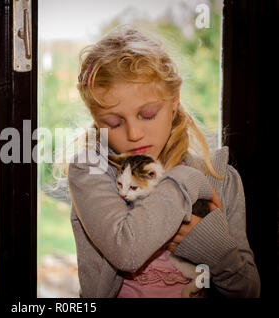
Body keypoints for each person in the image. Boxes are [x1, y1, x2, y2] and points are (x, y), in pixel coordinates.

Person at [63, 26, 260, 298]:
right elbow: (127, 252)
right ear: (97, 122)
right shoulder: (93, 173)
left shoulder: (217, 176)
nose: (134, 134)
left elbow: (248, 291)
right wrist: (183, 181)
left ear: (175, 100)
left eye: (148, 114)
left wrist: (214, 249)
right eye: (114, 122)